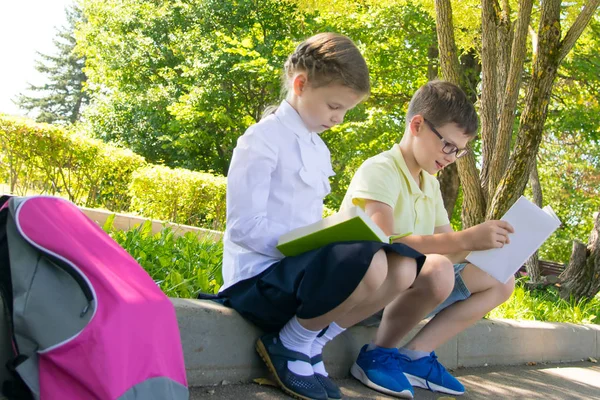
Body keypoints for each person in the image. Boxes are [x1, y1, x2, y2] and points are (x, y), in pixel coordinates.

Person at [218, 33, 441, 400]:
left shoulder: (318, 149)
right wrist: (314, 243)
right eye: (333, 107)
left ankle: (310, 344)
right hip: (259, 281)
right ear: (300, 85)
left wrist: (323, 239)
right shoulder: (261, 140)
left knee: (401, 265)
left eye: (345, 112)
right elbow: (244, 229)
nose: (337, 120)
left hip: (302, 278)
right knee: (363, 259)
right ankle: (288, 342)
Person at [340, 80, 515, 398]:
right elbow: (387, 244)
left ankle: (415, 356)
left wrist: (495, 254)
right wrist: (467, 237)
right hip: (367, 291)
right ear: (417, 125)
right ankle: (377, 354)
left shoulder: (430, 184)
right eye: (448, 145)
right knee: (435, 268)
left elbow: (450, 247)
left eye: (459, 151)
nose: (452, 157)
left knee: (502, 280)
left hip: (407, 292)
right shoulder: (380, 170)